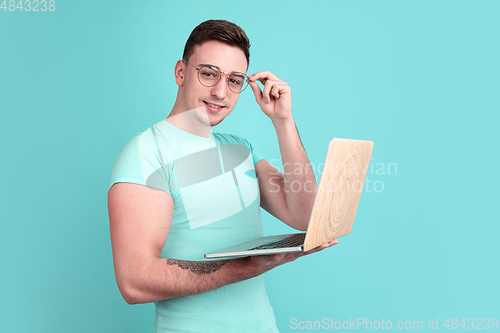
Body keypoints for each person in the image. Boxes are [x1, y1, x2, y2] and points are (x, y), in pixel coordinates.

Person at [107, 19, 338, 333]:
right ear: (181, 72)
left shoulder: (240, 149)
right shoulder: (146, 154)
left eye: (234, 80)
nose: (220, 92)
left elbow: (307, 217)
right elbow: (134, 282)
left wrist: (283, 121)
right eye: (208, 73)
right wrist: (247, 266)